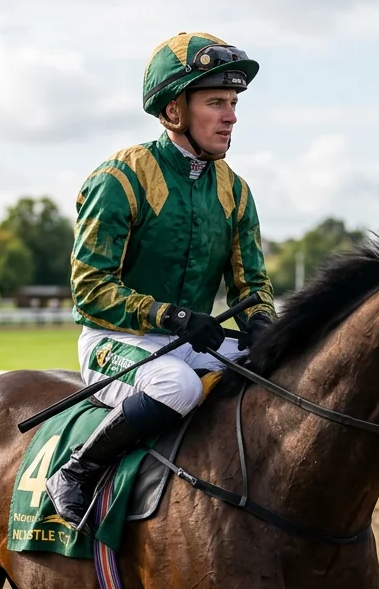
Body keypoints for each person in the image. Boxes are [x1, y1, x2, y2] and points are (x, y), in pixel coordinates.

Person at [45, 32, 276, 532]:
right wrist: (169, 315)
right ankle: (76, 470)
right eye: (215, 102)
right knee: (176, 387)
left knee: (284, 372)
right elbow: (90, 289)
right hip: (117, 341)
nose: (231, 115)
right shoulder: (120, 177)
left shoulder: (235, 191)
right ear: (174, 110)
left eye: (233, 102)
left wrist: (263, 324)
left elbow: (252, 284)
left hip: (190, 340)